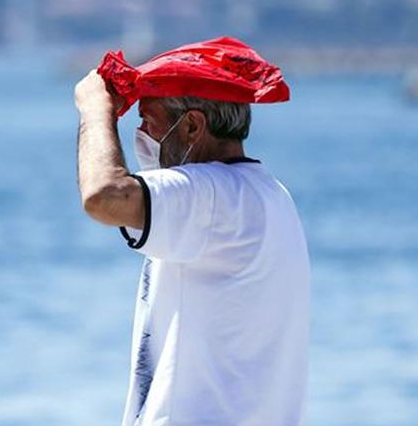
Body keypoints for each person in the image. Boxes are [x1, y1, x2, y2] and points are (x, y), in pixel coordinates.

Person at [74, 39, 310, 426]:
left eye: (148, 121)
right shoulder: (268, 193)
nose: (142, 134)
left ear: (192, 126)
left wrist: (95, 112)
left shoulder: (210, 193)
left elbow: (104, 196)